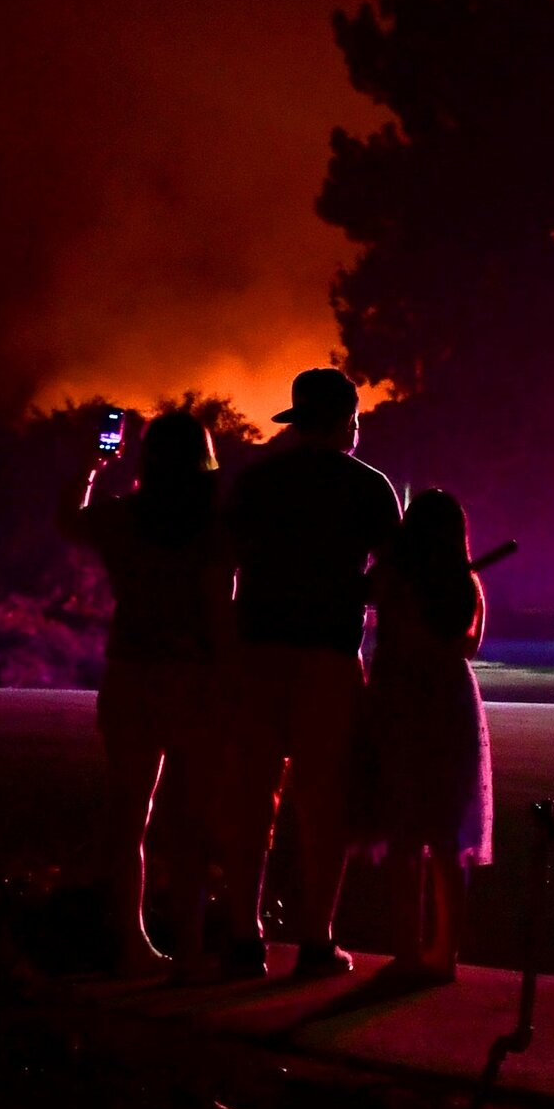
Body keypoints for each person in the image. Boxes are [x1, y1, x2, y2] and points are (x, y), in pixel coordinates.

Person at [216, 367, 402, 976]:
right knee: (325, 802)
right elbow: (391, 576)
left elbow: (229, 561)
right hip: (327, 655)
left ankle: (244, 933)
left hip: (258, 652)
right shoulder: (370, 488)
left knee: (249, 798)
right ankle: (317, 939)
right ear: (346, 419)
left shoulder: (259, 482)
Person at [58, 409, 236, 979]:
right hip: (195, 678)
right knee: (192, 820)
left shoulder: (122, 519)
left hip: (132, 672)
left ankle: (132, 941)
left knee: (129, 814)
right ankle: (188, 945)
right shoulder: (215, 527)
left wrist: (90, 467)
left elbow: (69, 520)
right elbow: (218, 611)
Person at [353, 488, 493, 982]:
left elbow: (363, 599)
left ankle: (407, 950)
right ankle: (445, 953)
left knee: (404, 835)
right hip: (451, 704)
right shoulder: (467, 583)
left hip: (400, 703)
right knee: (446, 835)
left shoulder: (392, 577)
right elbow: (469, 646)